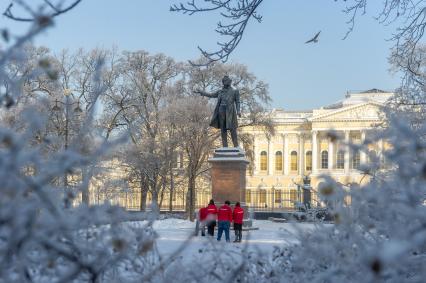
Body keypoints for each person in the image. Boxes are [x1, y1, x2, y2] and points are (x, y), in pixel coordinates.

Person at [196, 75, 241, 148]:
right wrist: (201, 91)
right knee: (223, 129)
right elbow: (211, 95)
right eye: (225, 81)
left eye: (228, 81)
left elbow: (238, 102)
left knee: (232, 129)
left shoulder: (235, 91)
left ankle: (236, 146)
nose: (228, 82)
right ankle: (225, 147)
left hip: (230, 112)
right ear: (223, 82)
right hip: (221, 110)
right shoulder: (220, 91)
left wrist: (238, 111)